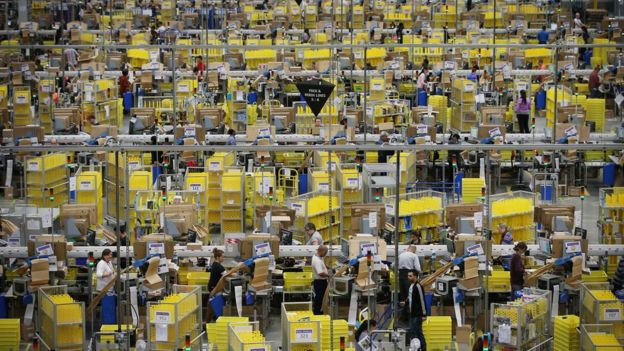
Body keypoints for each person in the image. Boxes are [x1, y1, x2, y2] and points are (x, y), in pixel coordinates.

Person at [405, 270, 427, 351]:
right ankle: (417, 348)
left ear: (415, 276)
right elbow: (410, 297)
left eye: (410, 276)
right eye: (408, 276)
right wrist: (405, 302)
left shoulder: (418, 286)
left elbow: (422, 300)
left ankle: (423, 348)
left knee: (416, 332)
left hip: (417, 314)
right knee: (414, 332)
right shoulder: (411, 286)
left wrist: (424, 315)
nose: (408, 277)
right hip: (412, 313)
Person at [312, 245, 329, 315]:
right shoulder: (317, 261)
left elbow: (323, 264)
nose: (326, 254)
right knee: (319, 298)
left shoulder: (318, 256)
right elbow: (320, 273)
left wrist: (328, 267)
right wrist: (329, 275)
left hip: (320, 282)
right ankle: (317, 313)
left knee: (321, 298)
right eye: (325, 253)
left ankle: (319, 310)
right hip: (320, 282)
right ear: (321, 251)